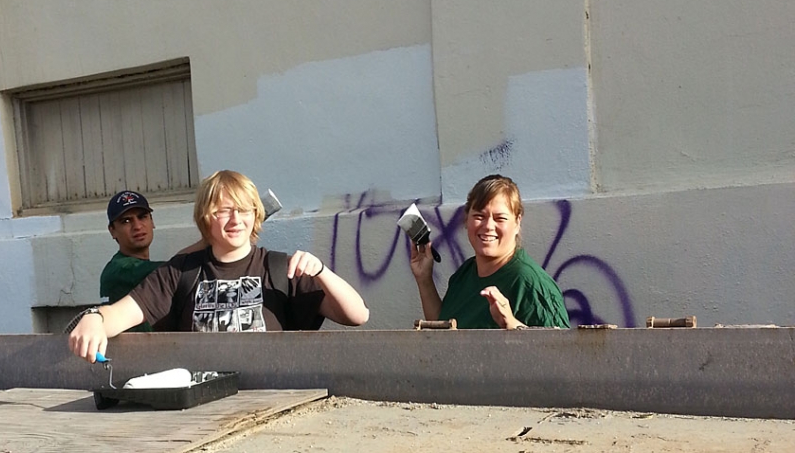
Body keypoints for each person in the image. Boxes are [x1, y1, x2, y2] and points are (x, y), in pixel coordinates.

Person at [69, 171, 369, 361]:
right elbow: (117, 315)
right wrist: (95, 318)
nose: (236, 220)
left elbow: (358, 315)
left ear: (255, 215)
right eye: (224, 211)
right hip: (202, 418)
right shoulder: (179, 274)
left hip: (274, 414)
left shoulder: (282, 269)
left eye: (243, 210)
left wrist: (321, 271)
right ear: (205, 218)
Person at [410, 174, 570, 329]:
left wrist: (512, 324)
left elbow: (562, 351)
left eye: (500, 218)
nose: (488, 226)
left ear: (517, 222)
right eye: (479, 216)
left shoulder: (531, 285)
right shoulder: (464, 275)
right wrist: (424, 280)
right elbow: (444, 334)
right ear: (467, 219)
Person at [99, 190, 159, 332]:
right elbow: (175, 270)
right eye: (126, 221)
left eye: (142, 217)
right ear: (112, 231)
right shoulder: (119, 269)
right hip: (130, 353)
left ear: (152, 221)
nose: (137, 226)